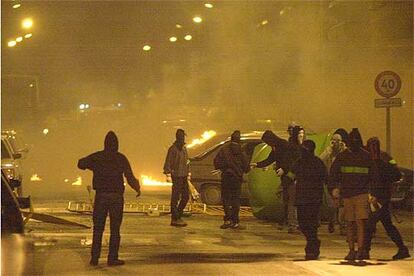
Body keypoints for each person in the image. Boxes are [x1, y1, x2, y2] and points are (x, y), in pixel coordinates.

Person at [78, 131, 141, 266]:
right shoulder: (121, 158)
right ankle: (112, 258)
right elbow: (129, 177)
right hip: (116, 197)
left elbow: (81, 163)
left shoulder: (97, 157)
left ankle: (95, 258)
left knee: (98, 228)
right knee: (115, 229)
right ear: (117, 144)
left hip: (101, 196)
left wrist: (92, 165)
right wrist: (137, 188)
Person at [329, 128, 379, 261]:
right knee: (358, 224)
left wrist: (333, 189)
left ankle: (353, 250)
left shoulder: (343, 156)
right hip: (359, 194)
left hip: (350, 195)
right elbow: (374, 177)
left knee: (353, 224)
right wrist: (373, 193)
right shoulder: (366, 156)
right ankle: (358, 250)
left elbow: (333, 174)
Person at [364, 137, 410, 260]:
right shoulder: (375, 159)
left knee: (370, 225)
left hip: (380, 198)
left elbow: (395, 175)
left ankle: (365, 251)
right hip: (378, 197)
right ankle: (402, 248)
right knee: (387, 225)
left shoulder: (383, 160)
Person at [291, 140, 327, 260]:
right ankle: (313, 242)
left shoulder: (318, 163)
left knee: (312, 224)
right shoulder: (299, 162)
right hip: (302, 198)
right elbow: (291, 174)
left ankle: (312, 248)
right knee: (302, 224)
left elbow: (326, 178)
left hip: (313, 199)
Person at [250, 130, 293, 230]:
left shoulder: (283, 145)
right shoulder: (275, 146)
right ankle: (286, 219)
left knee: (287, 198)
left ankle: (288, 220)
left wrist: (284, 168)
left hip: (289, 175)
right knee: (284, 197)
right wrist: (257, 164)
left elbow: (290, 159)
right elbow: (270, 159)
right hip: (283, 175)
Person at [214, 131, 250, 229]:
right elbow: (246, 167)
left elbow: (216, 162)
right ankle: (235, 221)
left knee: (226, 198)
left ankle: (227, 220)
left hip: (226, 177)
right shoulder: (241, 151)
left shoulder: (224, 149)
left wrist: (223, 168)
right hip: (237, 178)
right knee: (235, 199)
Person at [319, 129, 348, 234]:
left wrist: (344, 149)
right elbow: (320, 161)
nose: (336, 143)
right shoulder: (328, 153)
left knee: (342, 205)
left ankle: (343, 226)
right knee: (331, 206)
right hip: (330, 182)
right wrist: (328, 150)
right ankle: (331, 221)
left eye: (338, 140)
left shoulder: (345, 152)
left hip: (342, 182)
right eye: (334, 140)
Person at [163, 129, 191, 227]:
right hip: (177, 177)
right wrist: (168, 174)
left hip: (183, 176)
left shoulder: (184, 149)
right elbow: (168, 162)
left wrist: (188, 172)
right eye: (182, 136)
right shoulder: (173, 149)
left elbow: (187, 161)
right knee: (175, 197)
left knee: (186, 196)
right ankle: (175, 218)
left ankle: (178, 214)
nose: (183, 138)